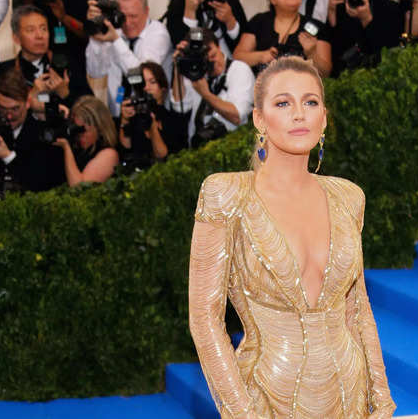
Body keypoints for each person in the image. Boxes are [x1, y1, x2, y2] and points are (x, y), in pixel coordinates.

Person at [189, 56, 395, 419]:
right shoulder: (226, 195)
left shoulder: (348, 197)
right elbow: (205, 320)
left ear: (324, 117)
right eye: (283, 103)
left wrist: (381, 398)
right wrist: (241, 412)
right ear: (258, 118)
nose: (299, 114)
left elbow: (358, 310)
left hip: (350, 395)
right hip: (265, 398)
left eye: (310, 102)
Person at [86, 0, 173, 117]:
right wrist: (95, 35)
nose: (127, 23)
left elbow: (142, 77)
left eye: (133, 16)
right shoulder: (114, 31)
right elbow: (96, 72)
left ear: (147, 11)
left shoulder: (158, 33)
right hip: (117, 116)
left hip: (151, 116)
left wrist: (115, 40)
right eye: (123, 16)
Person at [0, 67, 66, 192]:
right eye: (3, 109)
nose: (9, 116)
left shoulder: (42, 132)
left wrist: (8, 157)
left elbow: (39, 184)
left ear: (28, 102)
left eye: (15, 109)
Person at [233, 0, 332, 77]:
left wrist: (312, 53)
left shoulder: (316, 27)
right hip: (261, 89)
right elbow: (238, 57)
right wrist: (261, 56)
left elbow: (326, 73)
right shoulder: (259, 21)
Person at [171, 28, 254, 148]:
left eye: (214, 55)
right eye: (207, 59)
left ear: (219, 47)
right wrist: (178, 67)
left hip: (230, 148)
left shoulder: (239, 69)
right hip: (198, 149)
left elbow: (237, 117)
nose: (213, 62)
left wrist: (206, 94)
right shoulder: (196, 70)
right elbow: (179, 106)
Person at [329, 0, 403, 75]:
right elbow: (335, 57)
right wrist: (331, 13)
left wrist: (367, 20)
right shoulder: (339, 9)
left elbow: (389, 55)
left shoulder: (390, 9)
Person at [1, 5, 82, 112]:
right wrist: (31, 97)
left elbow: (90, 111)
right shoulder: (4, 71)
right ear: (16, 38)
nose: (40, 35)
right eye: (31, 30)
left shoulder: (68, 65)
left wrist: (66, 94)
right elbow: (3, 114)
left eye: (44, 29)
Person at [118, 62, 188, 170]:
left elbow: (163, 157)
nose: (146, 87)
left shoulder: (173, 120)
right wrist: (124, 120)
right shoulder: (133, 117)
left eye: (152, 82)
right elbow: (126, 149)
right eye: (143, 83)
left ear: (162, 88)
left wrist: (152, 126)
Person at [53, 95, 119, 187]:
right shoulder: (77, 147)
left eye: (83, 131)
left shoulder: (109, 154)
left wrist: (66, 148)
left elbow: (80, 188)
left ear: (99, 128)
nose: (79, 136)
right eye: (76, 130)